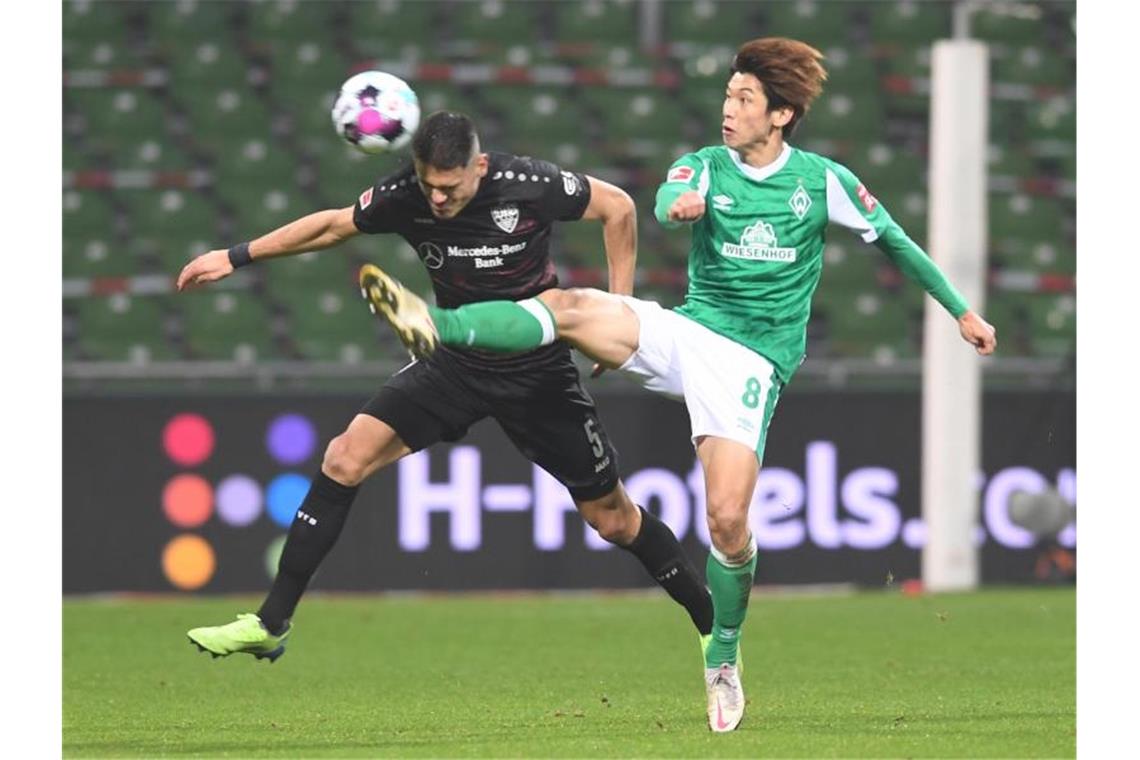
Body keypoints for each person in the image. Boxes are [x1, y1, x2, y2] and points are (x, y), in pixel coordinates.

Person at [361, 39, 998, 732]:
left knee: (726, 522)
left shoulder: (823, 183)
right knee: (569, 307)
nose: (729, 109)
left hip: (751, 364)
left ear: (781, 115)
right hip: (688, 332)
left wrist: (961, 311)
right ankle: (438, 325)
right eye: (728, 95)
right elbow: (665, 200)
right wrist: (683, 204)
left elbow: (897, 241)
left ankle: (722, 654)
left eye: (746, 100)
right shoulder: (704, 165)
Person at [177, 111, 714, 663]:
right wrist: (234, 256)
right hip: (453, 360)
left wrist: (616, 314)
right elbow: (333, 225)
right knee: (344, 457)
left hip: (538, 373)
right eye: (429, 185)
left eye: (450, 187)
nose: (437, 199)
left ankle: (711, 624)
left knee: (613, 519)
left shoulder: (529, 184)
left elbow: (618, 206)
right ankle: (271, 624)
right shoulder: (405, 195)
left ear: (479, 167)